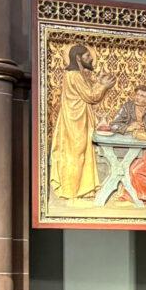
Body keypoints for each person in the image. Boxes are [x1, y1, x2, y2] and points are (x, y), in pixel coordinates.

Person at [49, 44, 115, 201]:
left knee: (78, 154)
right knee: (76, 155)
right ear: (78, 58)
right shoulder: (75, 75)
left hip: (77, 120)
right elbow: (91, 96)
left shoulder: (77, 74)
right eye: (87, 56)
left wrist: (99, 82)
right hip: (75, 122)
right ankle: (72, 192)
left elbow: (88, 91)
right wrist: (104, 86)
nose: (91, 58)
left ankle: (78, 190)